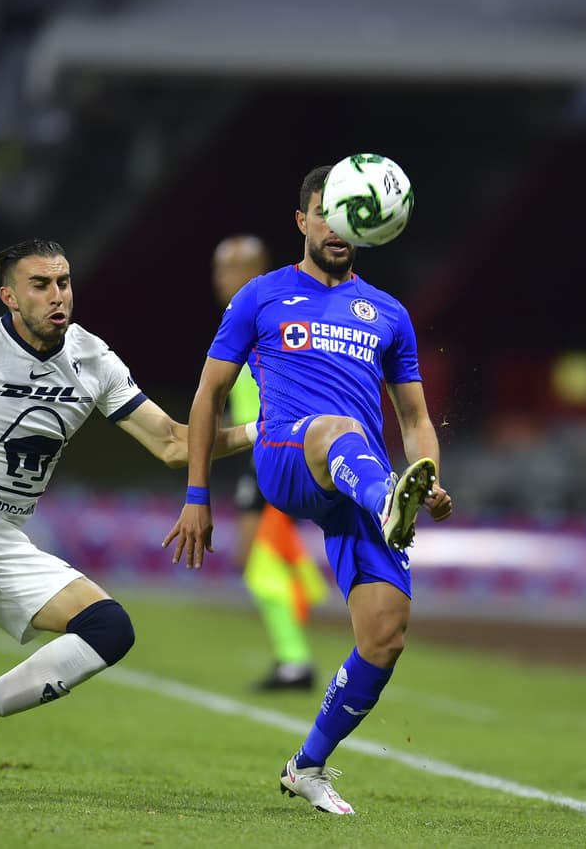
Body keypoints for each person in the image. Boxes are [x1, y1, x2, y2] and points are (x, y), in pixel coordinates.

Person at [0, 239, 253, 793]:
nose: (58, 296)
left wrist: (265, 431)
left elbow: (176, 444)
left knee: (110, 628)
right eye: (40, 285)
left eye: (64, 282)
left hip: (5, 534)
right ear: (9, 296)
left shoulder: (94, 360)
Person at [165, 165, 454, 815]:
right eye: (328, 212)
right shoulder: (261, 297)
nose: (340, 226)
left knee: (385, 633)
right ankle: (388, 499)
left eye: (354, 214)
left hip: (360, 478)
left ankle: (308, 764)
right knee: (336, 426)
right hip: (290, 455)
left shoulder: (389, 313)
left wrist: (427, 477)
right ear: (301, 221)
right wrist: (197, 495)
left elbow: (414, 420)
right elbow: (208, 396)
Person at [212, 234, 330, 691]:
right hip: (262, 451)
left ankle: (295, 659)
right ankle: (294, 644)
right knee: (258, 556)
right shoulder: (252, 317)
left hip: (273, 451)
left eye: (229, 269)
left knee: (256, 557)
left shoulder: (266, 316)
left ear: (251, 272)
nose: (220, 280)